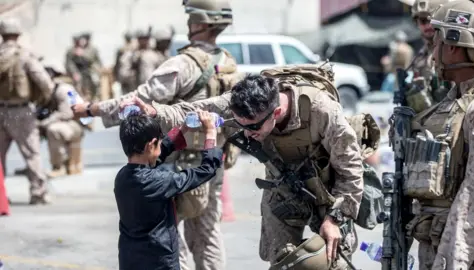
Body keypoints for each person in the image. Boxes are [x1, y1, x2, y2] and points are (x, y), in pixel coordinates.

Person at [123, 65, 370, 269]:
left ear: (276, 112)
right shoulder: (241, 106)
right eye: (241, 126)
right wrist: (156, 111)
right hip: (283, 190)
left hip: (330, 194)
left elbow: (351, 167)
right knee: (282, 260)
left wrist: (335, 218)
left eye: (253, 127)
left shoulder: (321, 110)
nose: (247, 134)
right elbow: (198, 109)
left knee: (334, 261)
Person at [72, 1, 241, 269]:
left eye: (191, 19)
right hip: (214, 156)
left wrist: (91, 109)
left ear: (199, 23)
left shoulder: (184, 63)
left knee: (171, 233)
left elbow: (137, 100)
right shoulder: (227, 61)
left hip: (178, 163)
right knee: (209, 233)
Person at [114, 111, 223, 270]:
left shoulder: (122, 177)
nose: (160, 144)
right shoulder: (158, 181)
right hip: (159, 262)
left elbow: (155, 155)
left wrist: (183, 129)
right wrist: (211, 132)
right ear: (150, 145)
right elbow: (205, 170)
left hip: (130, 260)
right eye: (158, 142)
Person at [421, 1, 474, 269]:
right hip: (439, 243)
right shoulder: (454, 100)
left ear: (454, 45)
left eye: (437, 43)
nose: (433, 54)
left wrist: (453, 261)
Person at [0, 18, 54, 204]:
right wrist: (41, 101)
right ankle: (38, 193)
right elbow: (45, 83)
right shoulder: (24, 55)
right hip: (22, 111)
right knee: (32, 153)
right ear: (18, 34)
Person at [400, 0, 452, 113]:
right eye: (423, 21)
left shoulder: (454, 50)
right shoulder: (419, 58)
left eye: (432, 20)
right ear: (417, 23)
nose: (428, 25)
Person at [38, 63, 85, 178]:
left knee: (53, 130)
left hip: (75, 124)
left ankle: (58, 167)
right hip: (63, 122)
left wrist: (44, 123)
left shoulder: (63, 89)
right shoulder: (47, 90)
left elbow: (67, 113)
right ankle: (34, 167)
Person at [118, 29, 164, 94]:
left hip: (153, 91)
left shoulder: (154, 54)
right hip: (134, 91)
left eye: (146, 38)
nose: (144, 41)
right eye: (142, 38)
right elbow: (123, 75)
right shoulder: (130, 55)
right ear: (138, 39)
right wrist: (136, 74)